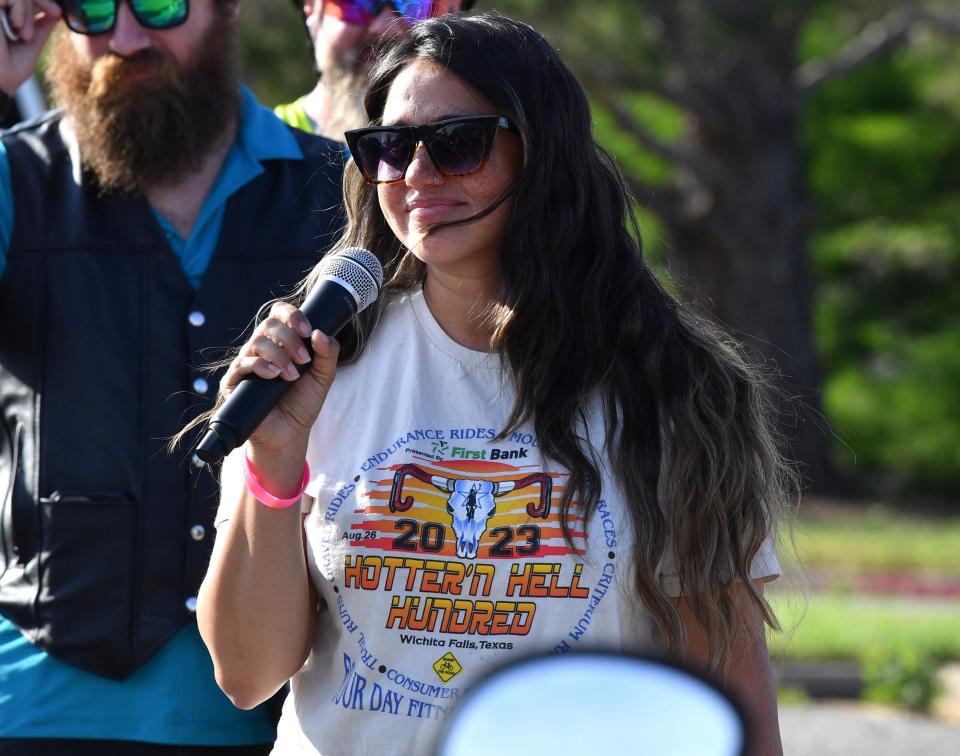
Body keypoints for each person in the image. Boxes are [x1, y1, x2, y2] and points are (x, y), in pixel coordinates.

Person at [198, 13, 792, 755]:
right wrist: (274, 463)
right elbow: (247, 675)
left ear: (541, 154)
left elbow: (732, 696)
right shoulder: (318, 370)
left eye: (457, 144)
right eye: (389, 147)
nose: (415, 176)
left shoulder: (669, 385)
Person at [0, 0, 344, 752]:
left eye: (158, 4)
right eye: (91, 10)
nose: (124, 38)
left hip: (280, 719)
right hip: (34, 713)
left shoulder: (339, 193)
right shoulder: (13, 180)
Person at [275, 0, 473, 139]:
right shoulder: (256, 147)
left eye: (414, 3)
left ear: (456, 10)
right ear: (310, 9)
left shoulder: (494, 143)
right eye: (356, 2)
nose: (385, 26)